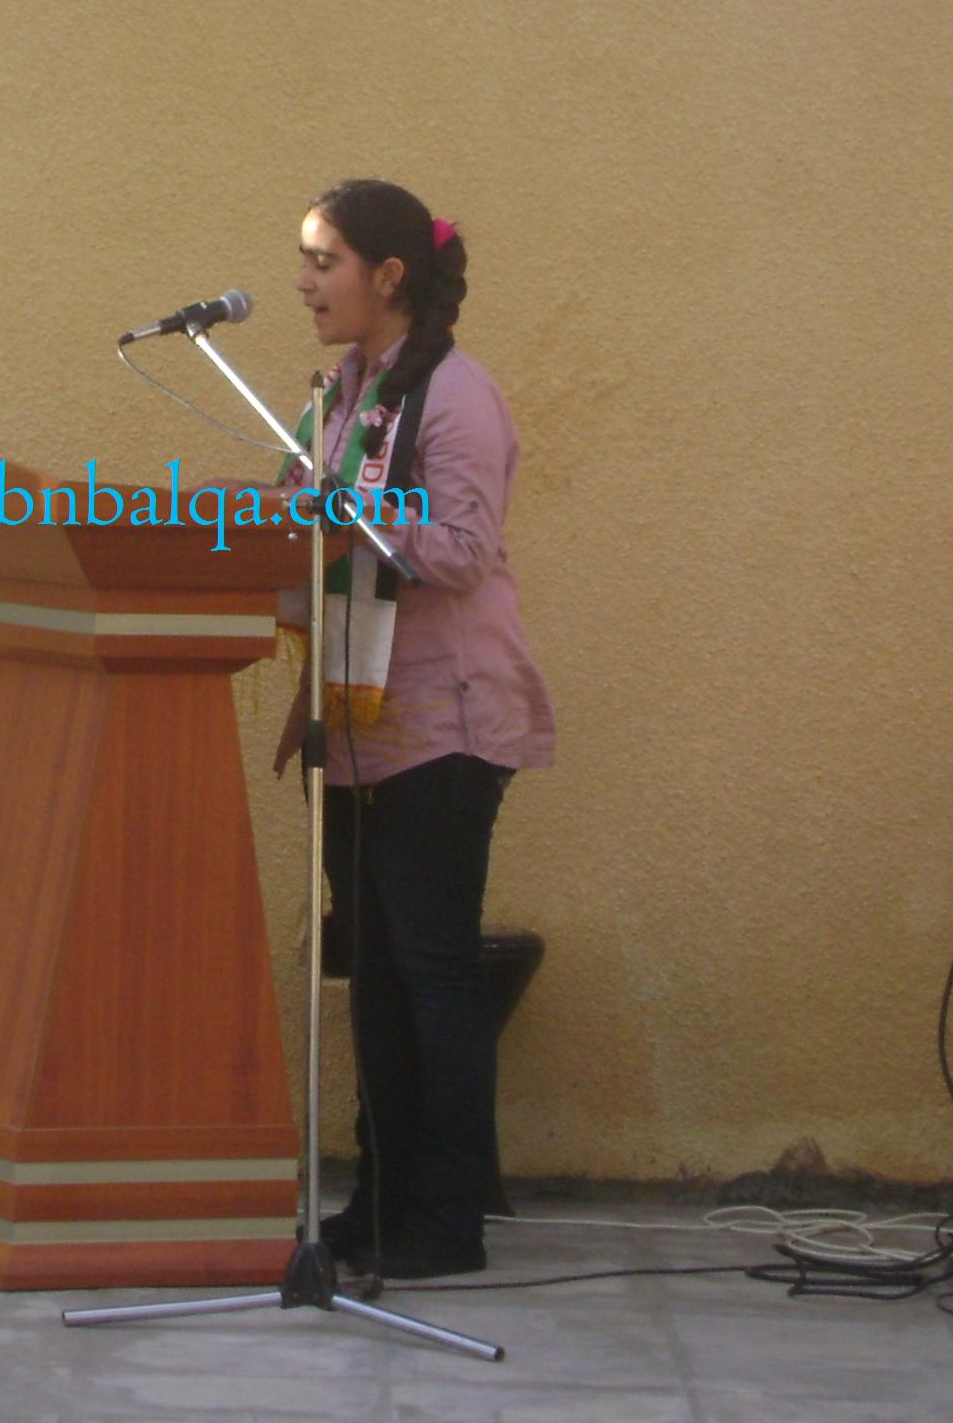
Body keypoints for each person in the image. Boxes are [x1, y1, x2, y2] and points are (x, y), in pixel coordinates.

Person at [273, 178, 555, 1281]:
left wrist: (342, 509)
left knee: (430, 969)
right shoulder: (339, 395)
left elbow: (463, 550)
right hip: (358, 717)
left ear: (389, 276)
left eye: (323, 262)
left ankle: (448, 1215)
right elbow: (302, 530)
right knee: (378, 972)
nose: (304, 284)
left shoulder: (456, 394)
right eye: (304, 262)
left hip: (447, 721)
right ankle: (382, 1194)